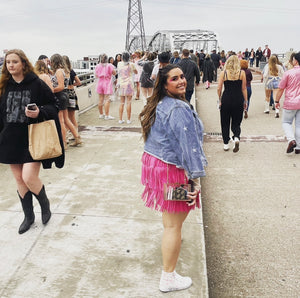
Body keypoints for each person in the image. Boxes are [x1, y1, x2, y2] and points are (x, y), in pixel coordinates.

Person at [139, 64, 207, 293]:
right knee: (173, 225)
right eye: (174, 78)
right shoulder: (178, 108)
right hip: (172, 172)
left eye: (182, 77)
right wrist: (195, 179)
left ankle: (173, 239)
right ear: (164, 83)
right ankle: (168, 277)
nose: (181, 81)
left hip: (158, 169)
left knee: (171, 220)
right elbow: (190, 148)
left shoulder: (159, 103)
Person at [0, 49, 64, 234]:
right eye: (8, 62)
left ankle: (44, 205)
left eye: (15, 62)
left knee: (29, 177)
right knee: (20, 180)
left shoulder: (36, 84)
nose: (11, 65)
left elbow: (54, 105)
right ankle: (28, 216)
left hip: (32, 138)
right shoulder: (4, 86)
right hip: (10, 139)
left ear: (23, 64)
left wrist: (39, 113)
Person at [50, 54, 82, 148]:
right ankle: (77, 137)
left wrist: (50, 90)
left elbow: (60, 86)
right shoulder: (63, 70)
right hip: (64, 96)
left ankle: (64, 142)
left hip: (60, 96)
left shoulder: (59, 71)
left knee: (61, 121)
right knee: (66, 119)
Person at [217, 55, 248, 152]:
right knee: (236, 121)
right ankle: (236, 137)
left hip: (226, 98)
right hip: (238, 99)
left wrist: (219, 99)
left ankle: (226, 143)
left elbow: (219, 88)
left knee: (225, 121)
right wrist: (245, 101)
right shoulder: (242, 73)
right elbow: (244, 88)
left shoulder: (224, 73)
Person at [275, 52, 300, 154]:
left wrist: (277, 101)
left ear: (296, 61)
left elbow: (281, 89)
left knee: (286, 122)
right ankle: (298, 147)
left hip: (290, 102)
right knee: (299, 125)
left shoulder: (288, 73)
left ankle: (291, 140)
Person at [117, 52, 137, 124]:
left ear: (122, 58)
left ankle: (120, 119)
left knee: (121, 102)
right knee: (129, 102)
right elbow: (136, 72)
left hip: (121, 84)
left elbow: (118, 73)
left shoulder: (119, 64)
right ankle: (128, 120)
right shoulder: (131, 64)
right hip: (129, 84)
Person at [62, 55, 81, 132]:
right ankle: (75, 132)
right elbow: (79, 82)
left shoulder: (62, 72)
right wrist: (72, 85)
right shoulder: (71, 71)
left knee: (65, 117)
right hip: (72, 94)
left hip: (65, 94)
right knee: (72, 117)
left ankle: (69, 133)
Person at [95, 53, 116, 120]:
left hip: (100, 82)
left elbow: (96, 75)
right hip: (107, 82)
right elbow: (114, 73)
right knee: (107, 99)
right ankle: (107, 115)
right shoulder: (109, 65)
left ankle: (101, 114)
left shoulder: (97, 66)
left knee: (100, 99)